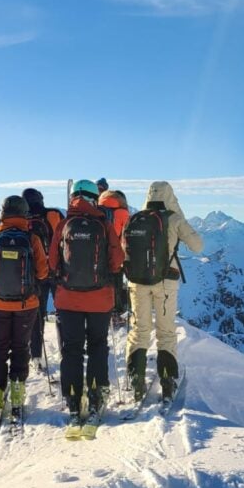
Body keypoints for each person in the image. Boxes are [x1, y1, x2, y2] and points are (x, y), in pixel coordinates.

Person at [49, 179, 124, 430]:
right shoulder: (104, 225)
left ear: (73, 197)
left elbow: (52, 262)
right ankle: (96, 397)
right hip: (99, 299)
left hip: (68, 300)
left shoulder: (64, 225)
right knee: (97, 346)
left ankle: (73, 401)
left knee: (71, 349)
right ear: (95, 198)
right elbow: (117, 260)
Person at [124, 181, 203, 402]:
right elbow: (198, 246)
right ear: (170, 197)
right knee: (166, 332)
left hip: (137, 281)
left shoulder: (135, 218)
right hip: (165, 282)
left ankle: (136, 378)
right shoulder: (174, 218)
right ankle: (167, 381)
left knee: (140, 330)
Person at [0, 195, 49, 424]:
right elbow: (42, 272)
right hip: (26, 305)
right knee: (20, 347)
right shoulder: (32, 238)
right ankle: (17, 393)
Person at [21, 188, 64, 374]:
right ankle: (65, 351)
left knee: (37, 316)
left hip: (35, 276)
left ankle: (36, 356)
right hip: (57, 271)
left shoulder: (23, 221)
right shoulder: (54, 214)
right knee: (62, 312)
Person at [98, 188, 131, 318]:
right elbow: (126, 237)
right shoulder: (123, 213)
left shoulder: (97, 209)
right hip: (116, 254)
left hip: (97, 254)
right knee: (116, 283)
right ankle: (116, 311)